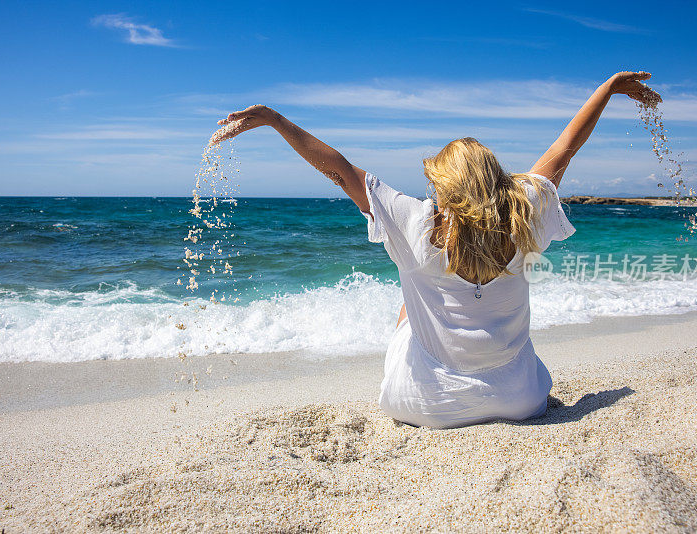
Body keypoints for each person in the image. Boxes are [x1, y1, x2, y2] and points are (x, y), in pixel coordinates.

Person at [213, 71, 660, 429]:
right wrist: (607, 89)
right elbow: (565, 150)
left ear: (447, 190)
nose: (430, 192)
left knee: (408, 306)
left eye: (435, 185)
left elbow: (341, 171)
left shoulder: (418, 225)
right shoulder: (524, 217)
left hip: (425, 404)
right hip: (523, 401)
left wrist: (275, 120)